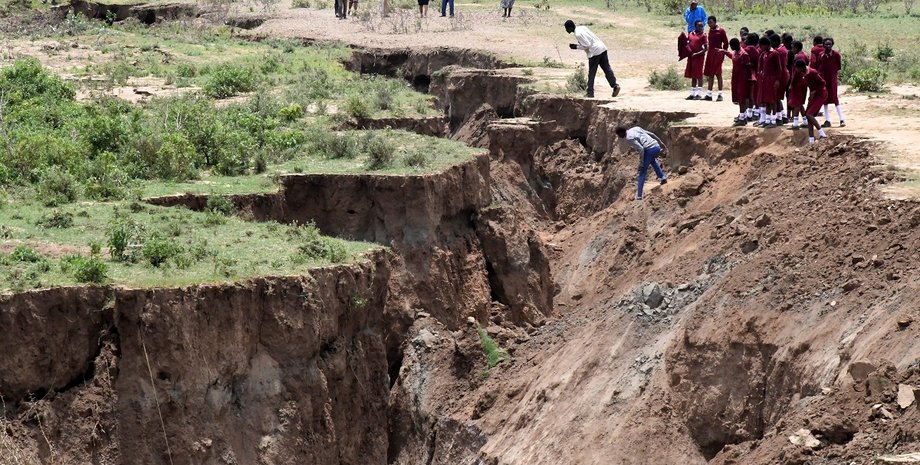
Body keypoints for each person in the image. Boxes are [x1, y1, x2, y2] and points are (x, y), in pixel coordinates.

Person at [565, 20, 621, 98]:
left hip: (594, 52)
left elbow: (587, 45)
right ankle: (615, 85)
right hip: (602, 47)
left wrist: (576, 47)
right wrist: (577, 45)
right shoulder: (582, 28)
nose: (566, 30)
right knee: (607, 69)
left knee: (591, 74)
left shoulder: (577, 34)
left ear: (570, 27)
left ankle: (590, 93)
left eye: (566, 28)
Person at [616, 126, 668, 201]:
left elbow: (641, 149)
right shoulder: (636, 128)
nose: (619, 137)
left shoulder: (629, 138)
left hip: (649, 150)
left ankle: (639, 196)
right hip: (656, 146)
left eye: (618, 135)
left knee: (642, 172)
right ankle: (663, 178)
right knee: (652, 160)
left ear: (621, 132)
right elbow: (652, 134)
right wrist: (661, 143)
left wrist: (641, 162)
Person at [795, 59, 829, 143]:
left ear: (801, 67)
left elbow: (823, 82)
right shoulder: (802, 73)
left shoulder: (812, 72)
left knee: (809, 114)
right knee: (808, 116)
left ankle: (821, 133)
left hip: (821, 94)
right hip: (813, 95)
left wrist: (814, 91)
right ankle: (811, 140)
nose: (796, 69)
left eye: (797, 68)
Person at [722, 38, 753, 125]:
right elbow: (731, 55)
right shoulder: (735, 53)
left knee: (742, 98)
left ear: (735, 45)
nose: (730, 47)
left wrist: (749, 79)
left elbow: (748, 68)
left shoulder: (744, 54)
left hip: (743, 79)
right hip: (736, 78)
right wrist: (723, 51)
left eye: (731, 46)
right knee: (738, 97)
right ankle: (742, 116)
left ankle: (743, 118)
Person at [816, 37, 845, 127]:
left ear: (832, 45)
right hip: (824, 79)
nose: (828, 46)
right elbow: (819, 65)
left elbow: (838, 66)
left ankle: (842, 119)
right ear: (823, 45)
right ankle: (827, 120)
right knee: (825, 99)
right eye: (826, 44)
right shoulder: (821, 55)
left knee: (835, 98)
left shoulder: (836, 55)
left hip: (832, 79)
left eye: (830, 44)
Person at [755, 35, 783, 128]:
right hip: (765, 80)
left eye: (761, 46)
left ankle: (774, 121)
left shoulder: (774, 53)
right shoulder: (764, 54)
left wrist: (777, 80)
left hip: (772, 80)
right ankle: (767, 120)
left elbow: (779, 69)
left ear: (766, 45)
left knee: (772, 100)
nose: (760, 48)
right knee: (766, 100)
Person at [703, 15, 728, 101]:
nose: (709, 24)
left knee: (718, 74)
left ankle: (720, 94)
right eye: (708, 23)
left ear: (715, 22)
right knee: (710, 74)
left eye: (711, 22)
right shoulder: (710, 30)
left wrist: (723, 52)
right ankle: (709, 94)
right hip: (710, 54)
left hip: (718, 54)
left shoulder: (721, 30)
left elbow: (726, 43)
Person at [787, 41, 809, 129]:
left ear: (796, 48)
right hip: (803, 81)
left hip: (798, 82)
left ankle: (795, 124)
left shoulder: (798, 57)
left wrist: (791, 84)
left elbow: (796, 72)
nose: (792, 50)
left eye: (793, 47)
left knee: (796, 103)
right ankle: (805, 121)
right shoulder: (805, 55)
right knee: (799, 103)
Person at [684, 20, 707, 100]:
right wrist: (690, 52)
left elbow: (705, 48)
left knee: (699, 75)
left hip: (699, 57)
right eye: (699, 26)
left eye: (702, 26)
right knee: (693, 75)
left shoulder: (703, 35)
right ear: (695, 26)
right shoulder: (691, 34)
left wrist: (696, 54)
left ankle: (699, 94)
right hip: (691, 57)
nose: (701, 27)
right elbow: (687, 43)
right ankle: (692, 93)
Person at [744, 33, 760, 121]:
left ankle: (750, 113)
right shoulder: (756, 50)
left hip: (749, 74)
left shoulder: (747, 50)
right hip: (754, 73)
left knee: (749, 95)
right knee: (753, 94)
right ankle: (754, 112)